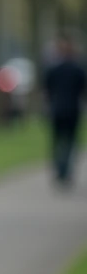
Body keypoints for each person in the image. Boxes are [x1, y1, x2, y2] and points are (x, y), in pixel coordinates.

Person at [43, 36, 87, 189]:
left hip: (56, 110)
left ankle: (60, 169)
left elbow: (46, 90)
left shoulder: (53, 69)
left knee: (57, 141)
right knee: (70, 141)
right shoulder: (78, 69)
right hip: (73, 110)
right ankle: (65, 170)